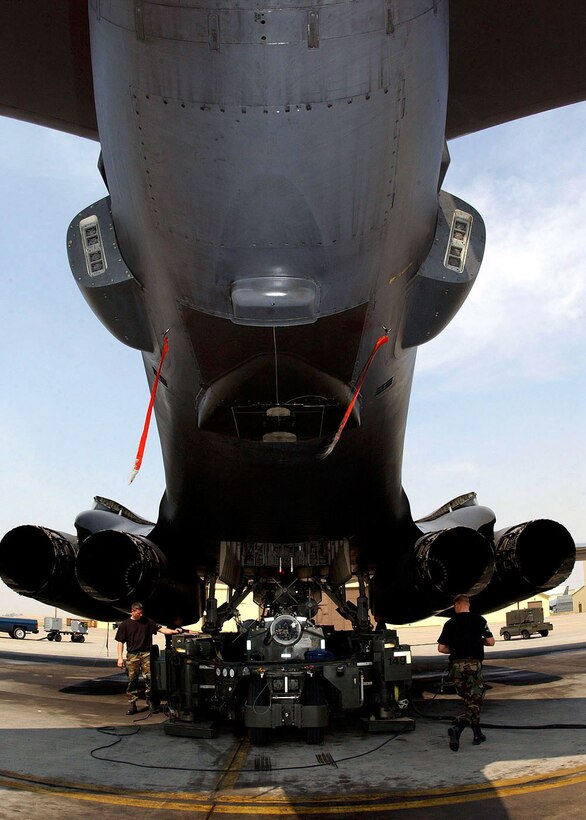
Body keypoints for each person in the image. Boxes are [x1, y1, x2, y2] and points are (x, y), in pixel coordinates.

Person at [437, 593, 495, 751]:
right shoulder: (479, 620)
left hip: (456, 666)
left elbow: (441, 648)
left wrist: (456, 648)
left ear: (457, 605)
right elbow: (491, 642)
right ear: (468, 605)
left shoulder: (450, 623)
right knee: (475, 701)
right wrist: (478, 641)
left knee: (469, 701)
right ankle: (459, 727)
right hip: (473, 665)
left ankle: (478, 734)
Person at [115, 602, 180, 715]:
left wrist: (174, 631)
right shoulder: (125, 625)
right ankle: (132, 705)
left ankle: (151, 702)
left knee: (149, 679)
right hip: (132, 655)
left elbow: (161, 629)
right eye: (138, 613)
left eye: (141, 613)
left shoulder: (147, 622)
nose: (140, 615)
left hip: (146, 654)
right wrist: (120, 658)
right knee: (132, 680)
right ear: (133, 611)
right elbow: (120, 642)